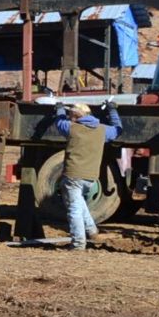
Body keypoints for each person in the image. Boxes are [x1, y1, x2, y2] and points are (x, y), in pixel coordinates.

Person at [53, 101, 121, 249]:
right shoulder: (103, 130)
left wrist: (59, 109)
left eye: (71, 116)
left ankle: (78, 243)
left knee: (74, 209)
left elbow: (59, 122)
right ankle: (92, 231)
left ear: (75, 116)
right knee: (80, 203)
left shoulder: (71, 128)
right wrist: (113, 111)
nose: (69, 119)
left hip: (73, 175)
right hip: (91, 177)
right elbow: (117, 129)